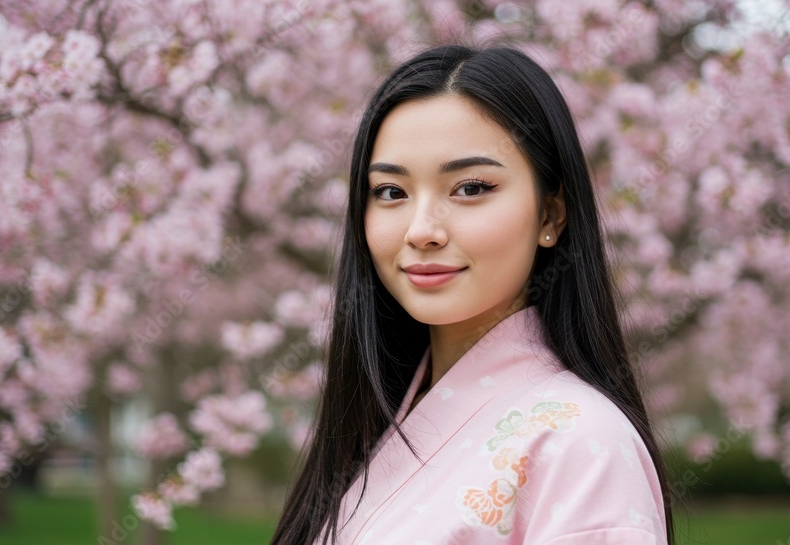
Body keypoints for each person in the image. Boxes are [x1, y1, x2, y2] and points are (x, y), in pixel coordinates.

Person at [270, 43, 674, 545]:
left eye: (471, 187)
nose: (421, 230)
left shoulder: (581, 441)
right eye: (392, 192)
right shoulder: (379, 422)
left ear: (551, 214)